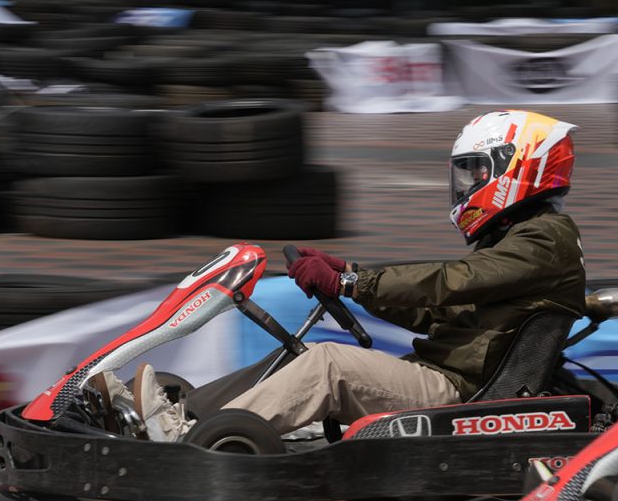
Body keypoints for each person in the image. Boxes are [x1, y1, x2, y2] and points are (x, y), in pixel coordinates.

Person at [93, 110, 587, 442]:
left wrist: (354, 284)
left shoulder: (545, 240)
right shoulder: (516, 240)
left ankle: (186, 437)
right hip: (444, 377)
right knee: (299, 355)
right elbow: (430, 311)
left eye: (477, 170)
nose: (468, 183)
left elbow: (451, 280)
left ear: (521, 168)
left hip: (457, 394)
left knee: (330, 363)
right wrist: (347, 274)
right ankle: (189, 416)